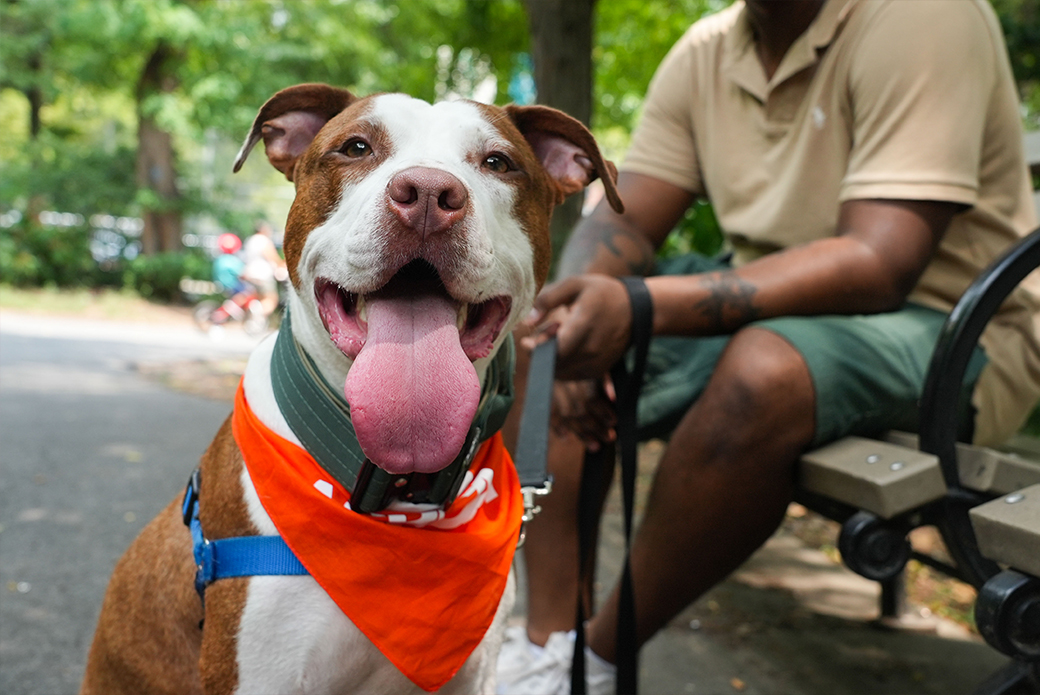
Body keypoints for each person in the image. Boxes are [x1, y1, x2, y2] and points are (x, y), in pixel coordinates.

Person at [496, 1, 1040, 693]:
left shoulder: (922, 15)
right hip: (773, 307)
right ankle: (550, 646)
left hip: (957, 331)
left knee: (764, 367)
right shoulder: (707, 50)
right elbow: (622, 226)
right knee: (541, 333)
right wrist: (573, 323)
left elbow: (881, 262)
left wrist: (634, 305)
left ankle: (596, 663)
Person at [241, 220, 287, 317]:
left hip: (250, 273)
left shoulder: (250, 240)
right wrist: (281, 264)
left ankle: (256, 320)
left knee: (260, 297)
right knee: (271, 299)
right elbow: (271, 256)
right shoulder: (263, 240)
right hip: (263, 274)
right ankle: (256, 313)